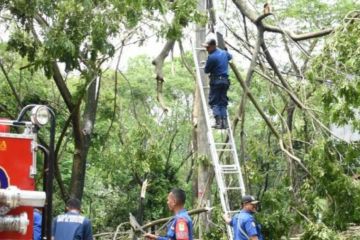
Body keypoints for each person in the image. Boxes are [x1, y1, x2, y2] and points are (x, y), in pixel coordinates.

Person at [202, 39, 232, 129]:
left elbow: (206, 70)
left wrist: (207, 64)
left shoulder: (212, 57)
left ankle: (218, 122)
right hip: (225, 81)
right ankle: (224, 122)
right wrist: (226, 49)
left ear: (213, 46)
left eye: (208, 47)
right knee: (223, 102)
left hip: (216, 82)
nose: (207, 50)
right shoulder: (224, 53)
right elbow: (230, 57)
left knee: (214, 102)